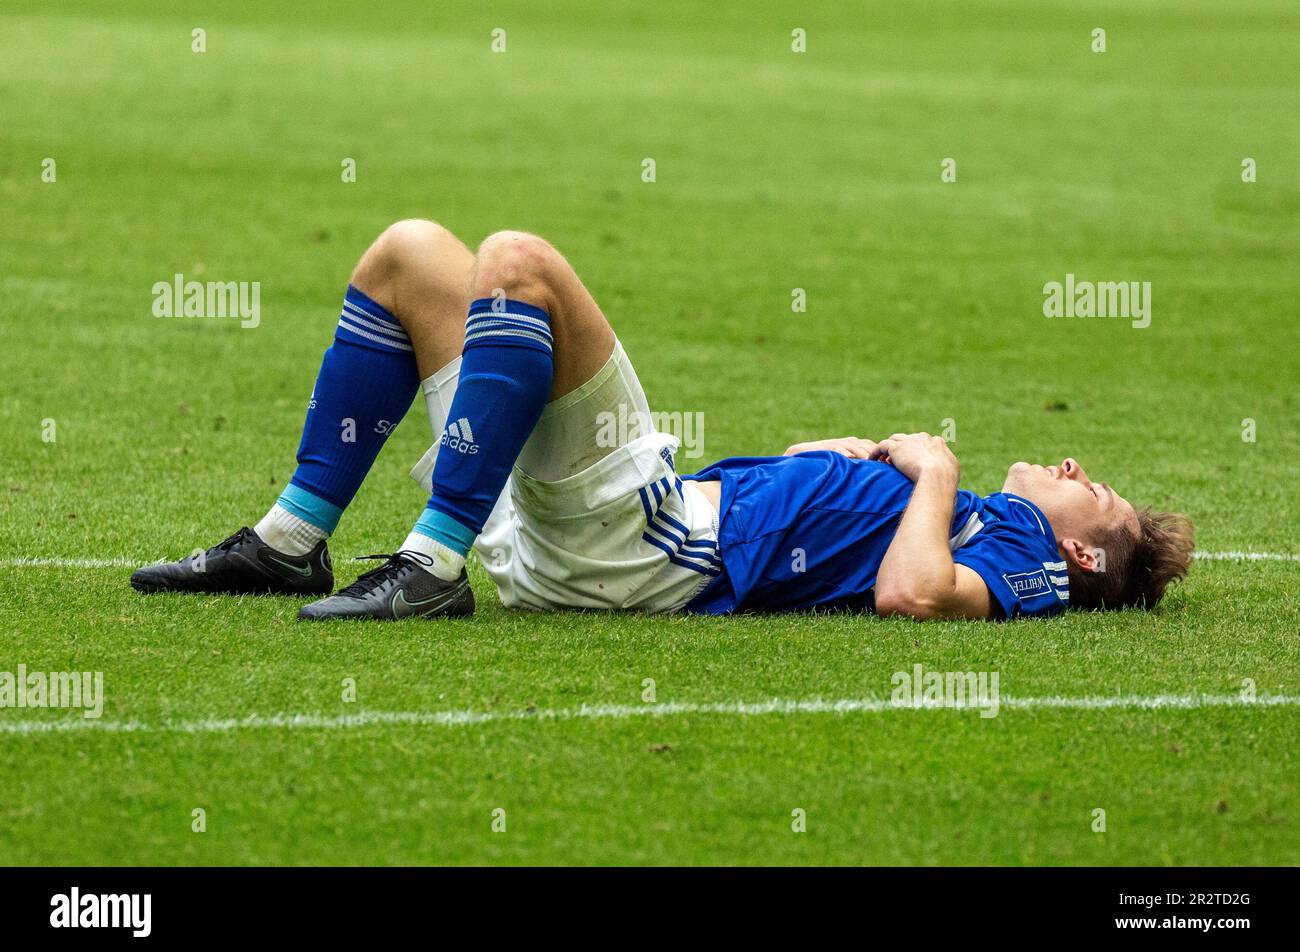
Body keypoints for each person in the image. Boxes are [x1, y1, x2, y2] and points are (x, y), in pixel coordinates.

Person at [131, 220, 1195, 620]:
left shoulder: (1031, 567)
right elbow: (816, 509)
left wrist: (934, 467)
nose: (1068, 464)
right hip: (613, 537)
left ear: (1081, 559)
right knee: (408, 255)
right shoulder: (991, 523)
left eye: (1089, 488)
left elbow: (911, 594)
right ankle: (288, 546)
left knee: (519, 264)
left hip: (644, 547)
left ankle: (432, 570)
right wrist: (858, 458)